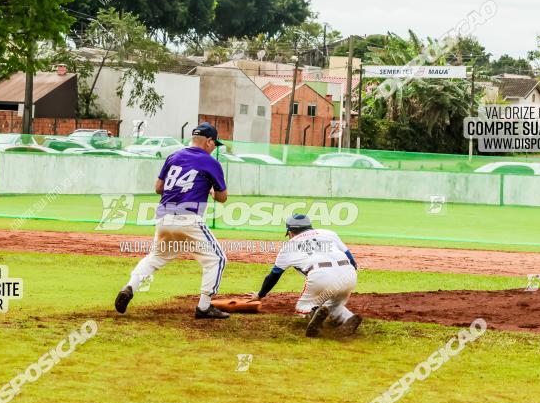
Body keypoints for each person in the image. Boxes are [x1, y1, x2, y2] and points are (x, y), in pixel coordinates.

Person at [114, 122, 230, 319]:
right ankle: (204, 307)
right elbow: (222, 197)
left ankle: (129, 287)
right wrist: (210, 190)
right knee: (217, 259)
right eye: (214, 144)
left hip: (164, 217)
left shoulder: (174, 156)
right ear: (209, 141)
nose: (214, 148)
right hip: (188, 218)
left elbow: (158, 188)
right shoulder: (211, 162)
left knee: (156, 257)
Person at [250, 214, 362, 337]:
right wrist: (350, 275)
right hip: (349, 274)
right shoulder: (328, 233)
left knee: (302, 306)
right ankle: (347, 318)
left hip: (321, 275)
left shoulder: (289, 246)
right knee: (334, 304)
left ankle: (313, 314)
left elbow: (274, 275)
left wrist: (260, 295)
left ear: (291, 232)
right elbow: (350, 257)